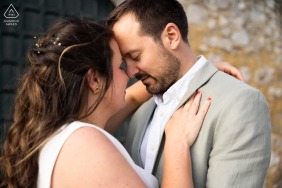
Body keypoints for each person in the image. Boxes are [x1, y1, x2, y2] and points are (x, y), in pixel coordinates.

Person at [0, 16, 216, 188]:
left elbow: (130, 97)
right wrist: (176, 145)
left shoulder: (62, 134)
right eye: (120, 66)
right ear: (95, 79)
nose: (129, 74)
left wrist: (193, 71)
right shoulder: (83, 143)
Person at [105, 0, 272, 187]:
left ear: (171, 36)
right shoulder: (141, 110)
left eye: (136, 56)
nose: (130, 72)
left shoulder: (240, 103)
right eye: (124, 63)